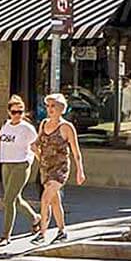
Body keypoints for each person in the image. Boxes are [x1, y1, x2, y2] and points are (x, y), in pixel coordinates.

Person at [30, 93, 86, 245]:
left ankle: (42, 233)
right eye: (47, 106)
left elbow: (76, 151)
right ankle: (62, 231)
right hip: (45, 167)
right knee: (55, 202)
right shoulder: (43, 124)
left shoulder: (67, 127)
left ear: (61, 108)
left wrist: (80, 171)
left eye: (53, 106)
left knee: (45, 198)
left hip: (60, 169)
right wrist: (34, 149)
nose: (50, 109)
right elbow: (37, 143)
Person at [0, 94, 40, 246]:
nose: (17, 115)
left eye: (20, 111)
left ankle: (5, 235)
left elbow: (36, 145)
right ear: (9, 112)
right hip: (6, 164)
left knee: (8, 200)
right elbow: (6, 142)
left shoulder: (27, 128)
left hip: (21, 164)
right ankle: (35, 218)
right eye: (14, 112)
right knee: (15, 199)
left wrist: (42, 163)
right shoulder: (6, 125)